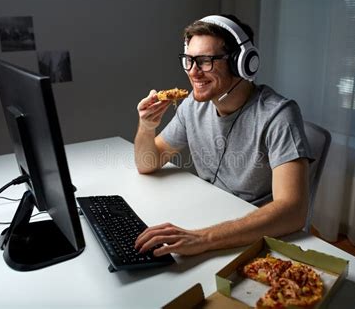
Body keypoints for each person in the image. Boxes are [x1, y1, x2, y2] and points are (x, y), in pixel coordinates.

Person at [134, 14, 312, 257]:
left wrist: (202, 238)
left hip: (255, 237)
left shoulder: (278, 115)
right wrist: (146, 126)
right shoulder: (192, 106)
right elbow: (147, 163)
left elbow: (293, 211)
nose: (194, 72)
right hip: (210, 218)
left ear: (242, 62)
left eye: (206, 61)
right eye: (189, 60)